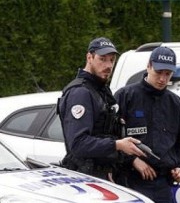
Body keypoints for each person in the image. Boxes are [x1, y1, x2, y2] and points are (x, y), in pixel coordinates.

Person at [57, 37, 145, 181]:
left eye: (112, 60)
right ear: (89, 57)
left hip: (101, 175)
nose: (108, 65)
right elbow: (78, 144)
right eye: (102, 59)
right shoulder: (80, 93)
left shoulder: (101, 90)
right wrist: (117, 145)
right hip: (85, 177)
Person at [114, 46, 180, 203]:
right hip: (130, 182)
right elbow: (109, 138)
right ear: (149, 66)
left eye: (168, 74)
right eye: (159, 72)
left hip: (162, 184)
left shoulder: (174, 103)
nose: (163, 79)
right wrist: (132, 160)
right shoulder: (126, 96)